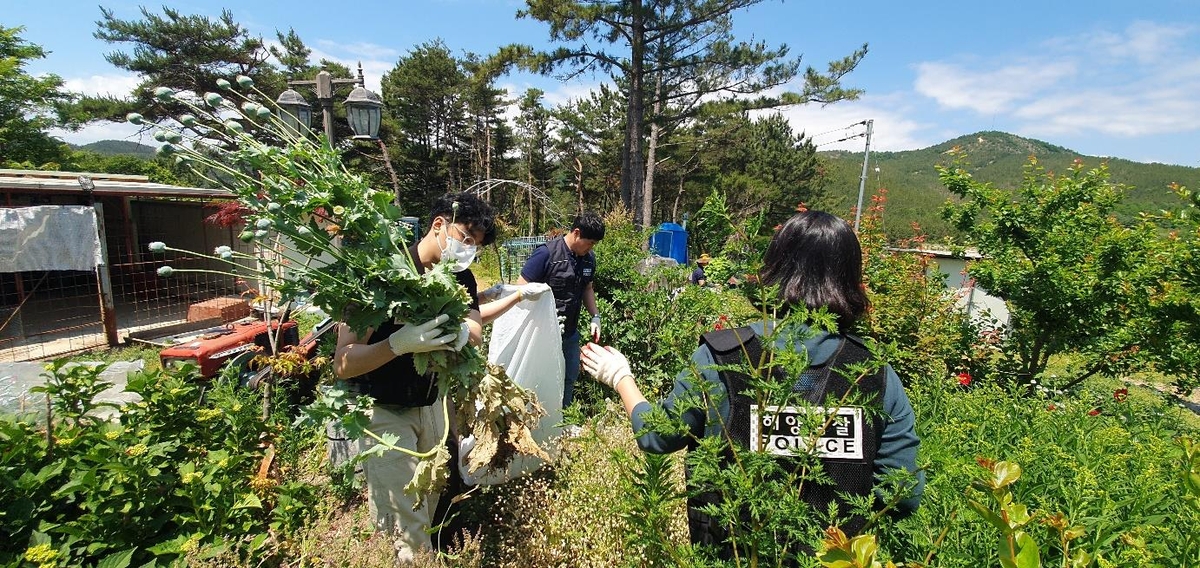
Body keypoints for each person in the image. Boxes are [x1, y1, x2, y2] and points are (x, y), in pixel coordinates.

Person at [580, 210, 923, 555]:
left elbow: (658, 434)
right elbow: (904, 496)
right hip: (839, 557)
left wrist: (619, 376)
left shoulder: (724, 355)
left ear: (776, 266)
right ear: (850, 276)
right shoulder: (873, 374)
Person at [332, 191, 495, 562]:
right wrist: (398, 344)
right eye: (466, 240)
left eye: (476, 247)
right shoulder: (379, 269)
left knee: (434, 497)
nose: (469, 251)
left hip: (431, 404)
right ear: (439, 224)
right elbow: (342, 363)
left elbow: (474, 330)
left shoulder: (461, 278)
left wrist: (457, 331)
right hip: (383, 410)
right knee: (406, 525)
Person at [514, 212, 605, 408]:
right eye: (589, 242)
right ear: (577, 233)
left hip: (569, 333)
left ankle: (563, 418)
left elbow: (587, 287)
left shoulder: (589, 259)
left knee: (568, 377)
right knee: (539, 379)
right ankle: (536, 421)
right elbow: (520, 288)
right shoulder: (546, 254)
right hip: (542, 333)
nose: (591, 248)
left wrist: (595, 316)